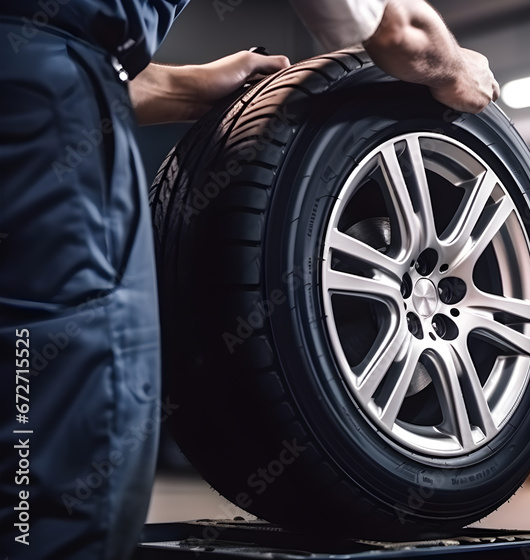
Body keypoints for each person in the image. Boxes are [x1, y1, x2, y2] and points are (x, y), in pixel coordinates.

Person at [0, 1, 498, 558]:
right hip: (40, 125)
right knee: (52, 471)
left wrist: (182, 87)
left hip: (39, 90)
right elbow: (388, 32)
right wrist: (452, 65)